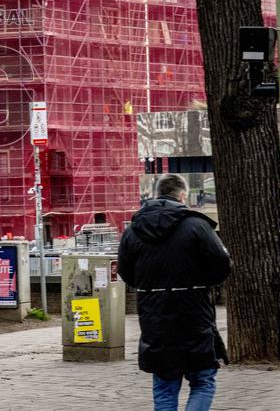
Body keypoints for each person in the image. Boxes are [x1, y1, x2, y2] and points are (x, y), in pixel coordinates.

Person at [117, 174, 231, 411]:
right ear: (182, 195)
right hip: (194, 310)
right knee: (202, 379)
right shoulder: (197, 225)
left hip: (154, 313)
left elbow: (125, 272)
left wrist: (149, 286)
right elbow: (222, 262)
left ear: (156, 194)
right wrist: (204, 282)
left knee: (165, 384)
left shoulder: (134, 230)